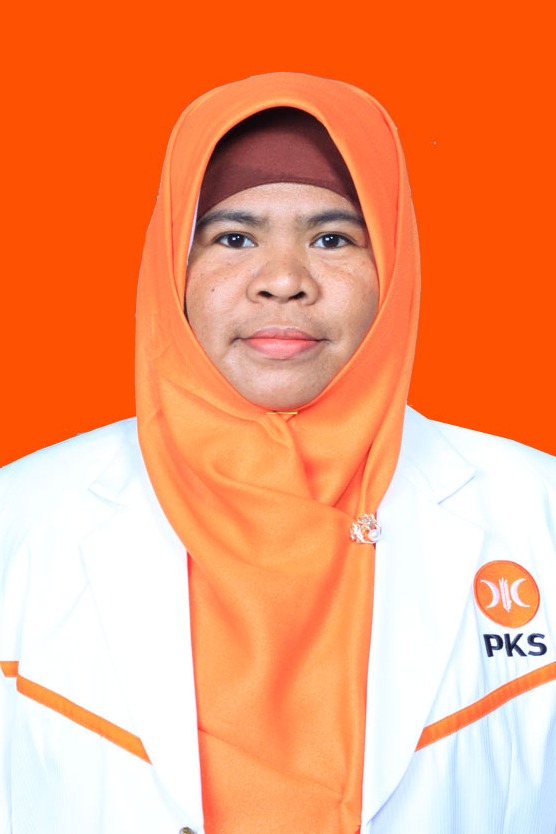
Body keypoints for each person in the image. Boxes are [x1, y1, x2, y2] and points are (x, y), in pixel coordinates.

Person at [1, 72, 555, 834]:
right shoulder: (22, 520)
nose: (284, 281)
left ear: (393, 265)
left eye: (332, 238)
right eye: (234, 238)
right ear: (173, 267)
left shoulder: (536, 513)